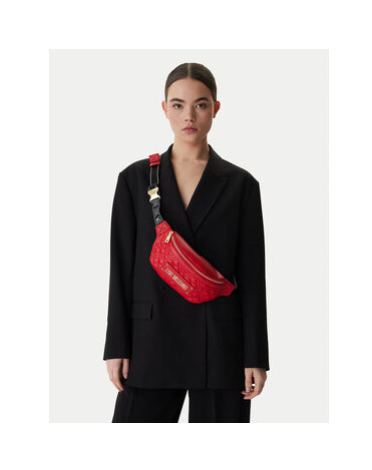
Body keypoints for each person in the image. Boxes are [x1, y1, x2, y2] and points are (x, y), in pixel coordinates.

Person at [103, 62, 269, 423]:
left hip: (221, 343)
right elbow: (121, 267)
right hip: (149, 341)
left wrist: (255, 355)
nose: (188, 116)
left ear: (216, 108)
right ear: (164, 108)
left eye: (201, 105)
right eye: (178, 105)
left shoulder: (241, 185)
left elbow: (253, 276)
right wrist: (116, 345)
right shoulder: (134, 179)